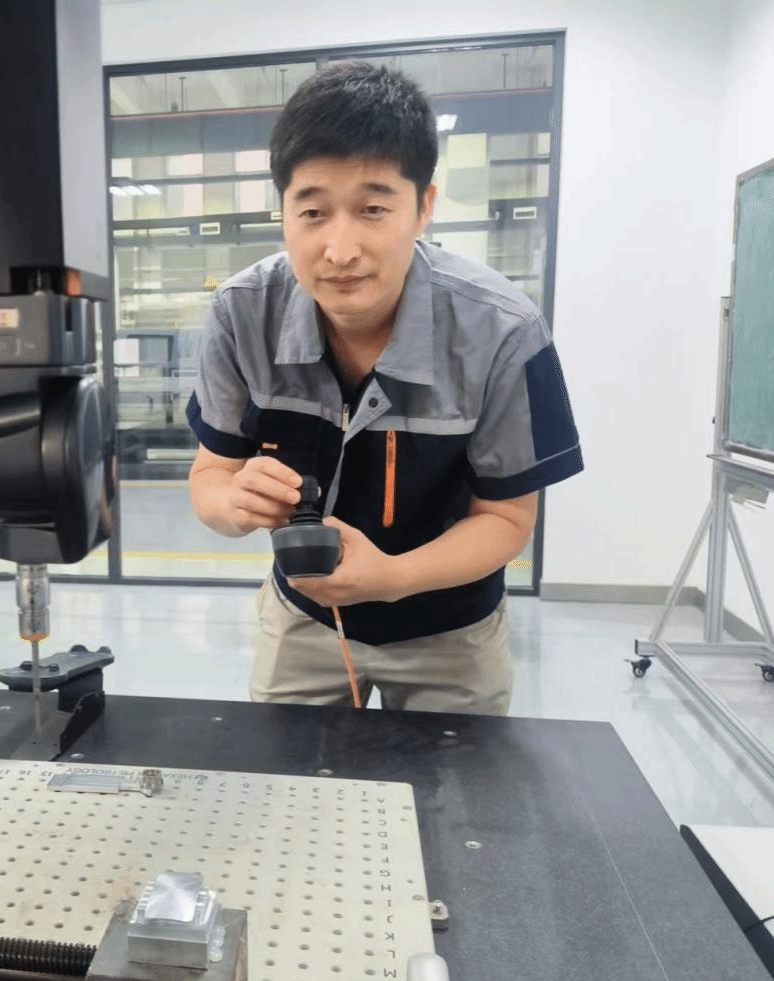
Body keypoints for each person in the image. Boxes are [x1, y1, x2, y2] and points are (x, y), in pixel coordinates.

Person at [186, 62, 583, 715]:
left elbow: (508, 519)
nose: (340, 249)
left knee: (454, 781)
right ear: (282, 212)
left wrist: (394, 577)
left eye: (373, 208)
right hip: (304, 616)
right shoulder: (241, 314)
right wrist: (233, 503)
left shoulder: (503, 331)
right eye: (312, 211)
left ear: (424, 206)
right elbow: (211, 476)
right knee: (286, 774)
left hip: (451, 630)